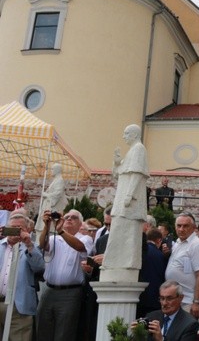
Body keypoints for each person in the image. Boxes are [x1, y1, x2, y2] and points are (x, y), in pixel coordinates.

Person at [101, 124, 149, 282]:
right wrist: (116, 163)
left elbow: (137, 173)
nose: (124, 136)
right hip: (123, 198)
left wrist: (130, 195)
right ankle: (115, 262)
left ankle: (125, 263)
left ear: (135, 134)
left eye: (126, 133)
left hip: (129, 201)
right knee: (119, 229)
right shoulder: (132, 151)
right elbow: (119, 175)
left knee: (127, 232)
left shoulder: (139, 149)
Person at [36, 209, 92, 341]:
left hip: (70, 292)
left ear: (80, 224)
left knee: (64, 332)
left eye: (74, 218)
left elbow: (80, 247)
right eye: (66, 217)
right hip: (49, 290)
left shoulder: (85, 238)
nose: (69, 219)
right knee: (43, 328)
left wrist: (61, 230)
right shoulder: (54, 238)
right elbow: (42, 245)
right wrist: (47, 225)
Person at [0, 211, 45, 341]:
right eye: (12, 227)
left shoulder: (32, 247)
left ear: (27, 230)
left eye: (19, 228)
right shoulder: (0, 245)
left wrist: (28, 244)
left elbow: (39, 268)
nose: (15, 231)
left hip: (18, 305)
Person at [165, 212, 199, 319]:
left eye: (185, 226)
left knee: (185, 334)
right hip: (175, 300)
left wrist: (196, 302)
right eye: (179, 226)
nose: (181, 229)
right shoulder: (178, 243)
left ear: (194, 228)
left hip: (188, 302)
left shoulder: (197, 245)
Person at [137, 228, 168, 318]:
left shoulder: (141, 251)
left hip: (140, 295)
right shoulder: (160, 255)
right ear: (159, 240)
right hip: (155, 297)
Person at [34, 163, 66, 233]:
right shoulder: (56, 180)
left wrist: (46, 195)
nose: (51, 171)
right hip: (47, 205)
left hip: (52, 207)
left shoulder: (59, 180)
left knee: (49, 227)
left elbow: (57, 194)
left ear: (57, 170)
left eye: (52, 169)